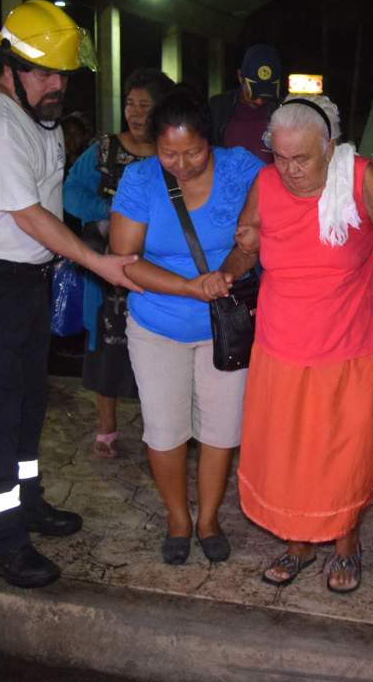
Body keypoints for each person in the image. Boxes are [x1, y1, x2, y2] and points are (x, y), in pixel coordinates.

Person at [0, 0, 138, 588]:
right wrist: (98, 262)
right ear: (8, 66)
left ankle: (27, 501)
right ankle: (2, 540)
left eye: (63, 74)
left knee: (30, 404)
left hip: (28, 283)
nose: (57, 86)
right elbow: (30, 216)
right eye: (44, 74)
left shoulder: (40, 119)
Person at [226, 95, 373, 593]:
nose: (289, 170)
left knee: (341, 451)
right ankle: (297, 543)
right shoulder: (265, 182)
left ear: (329, 148)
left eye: (302, 159)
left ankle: (345, 544)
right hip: (280, 342)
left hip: (347, 344)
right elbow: (248, 246)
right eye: (281, 156)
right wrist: (231, 266)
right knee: (288, 450)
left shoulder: (358, 178)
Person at [109, 86, 263, 565]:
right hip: (159, 323)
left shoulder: (242, 170)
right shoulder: (139, 180)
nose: (180, 163)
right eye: (168, 153)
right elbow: (124, 260)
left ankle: (208, 518)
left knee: (220, 428)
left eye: (192, 152)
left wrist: (234, 265)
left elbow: (260, 236)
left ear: (209, 141)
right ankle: (178, 518)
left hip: (227, 324)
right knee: (165, 429)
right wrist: (189, 287)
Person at [64, 68, 174, 459]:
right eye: (130, 104)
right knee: (108, 346)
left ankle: (161, 431)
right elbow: (71, 193)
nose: (135, 113)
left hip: (161, 268)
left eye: (145, 105)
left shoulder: (173, 151)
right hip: (110, 270)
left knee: (161, 351)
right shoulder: (105, 149)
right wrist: (109, 211)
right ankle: (107, 429)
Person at [208, 43, 282, 163]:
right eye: (253, 93)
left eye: (266, 95)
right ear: (239, 76)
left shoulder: (283, 111)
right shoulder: (218, 108)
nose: (259, 102)